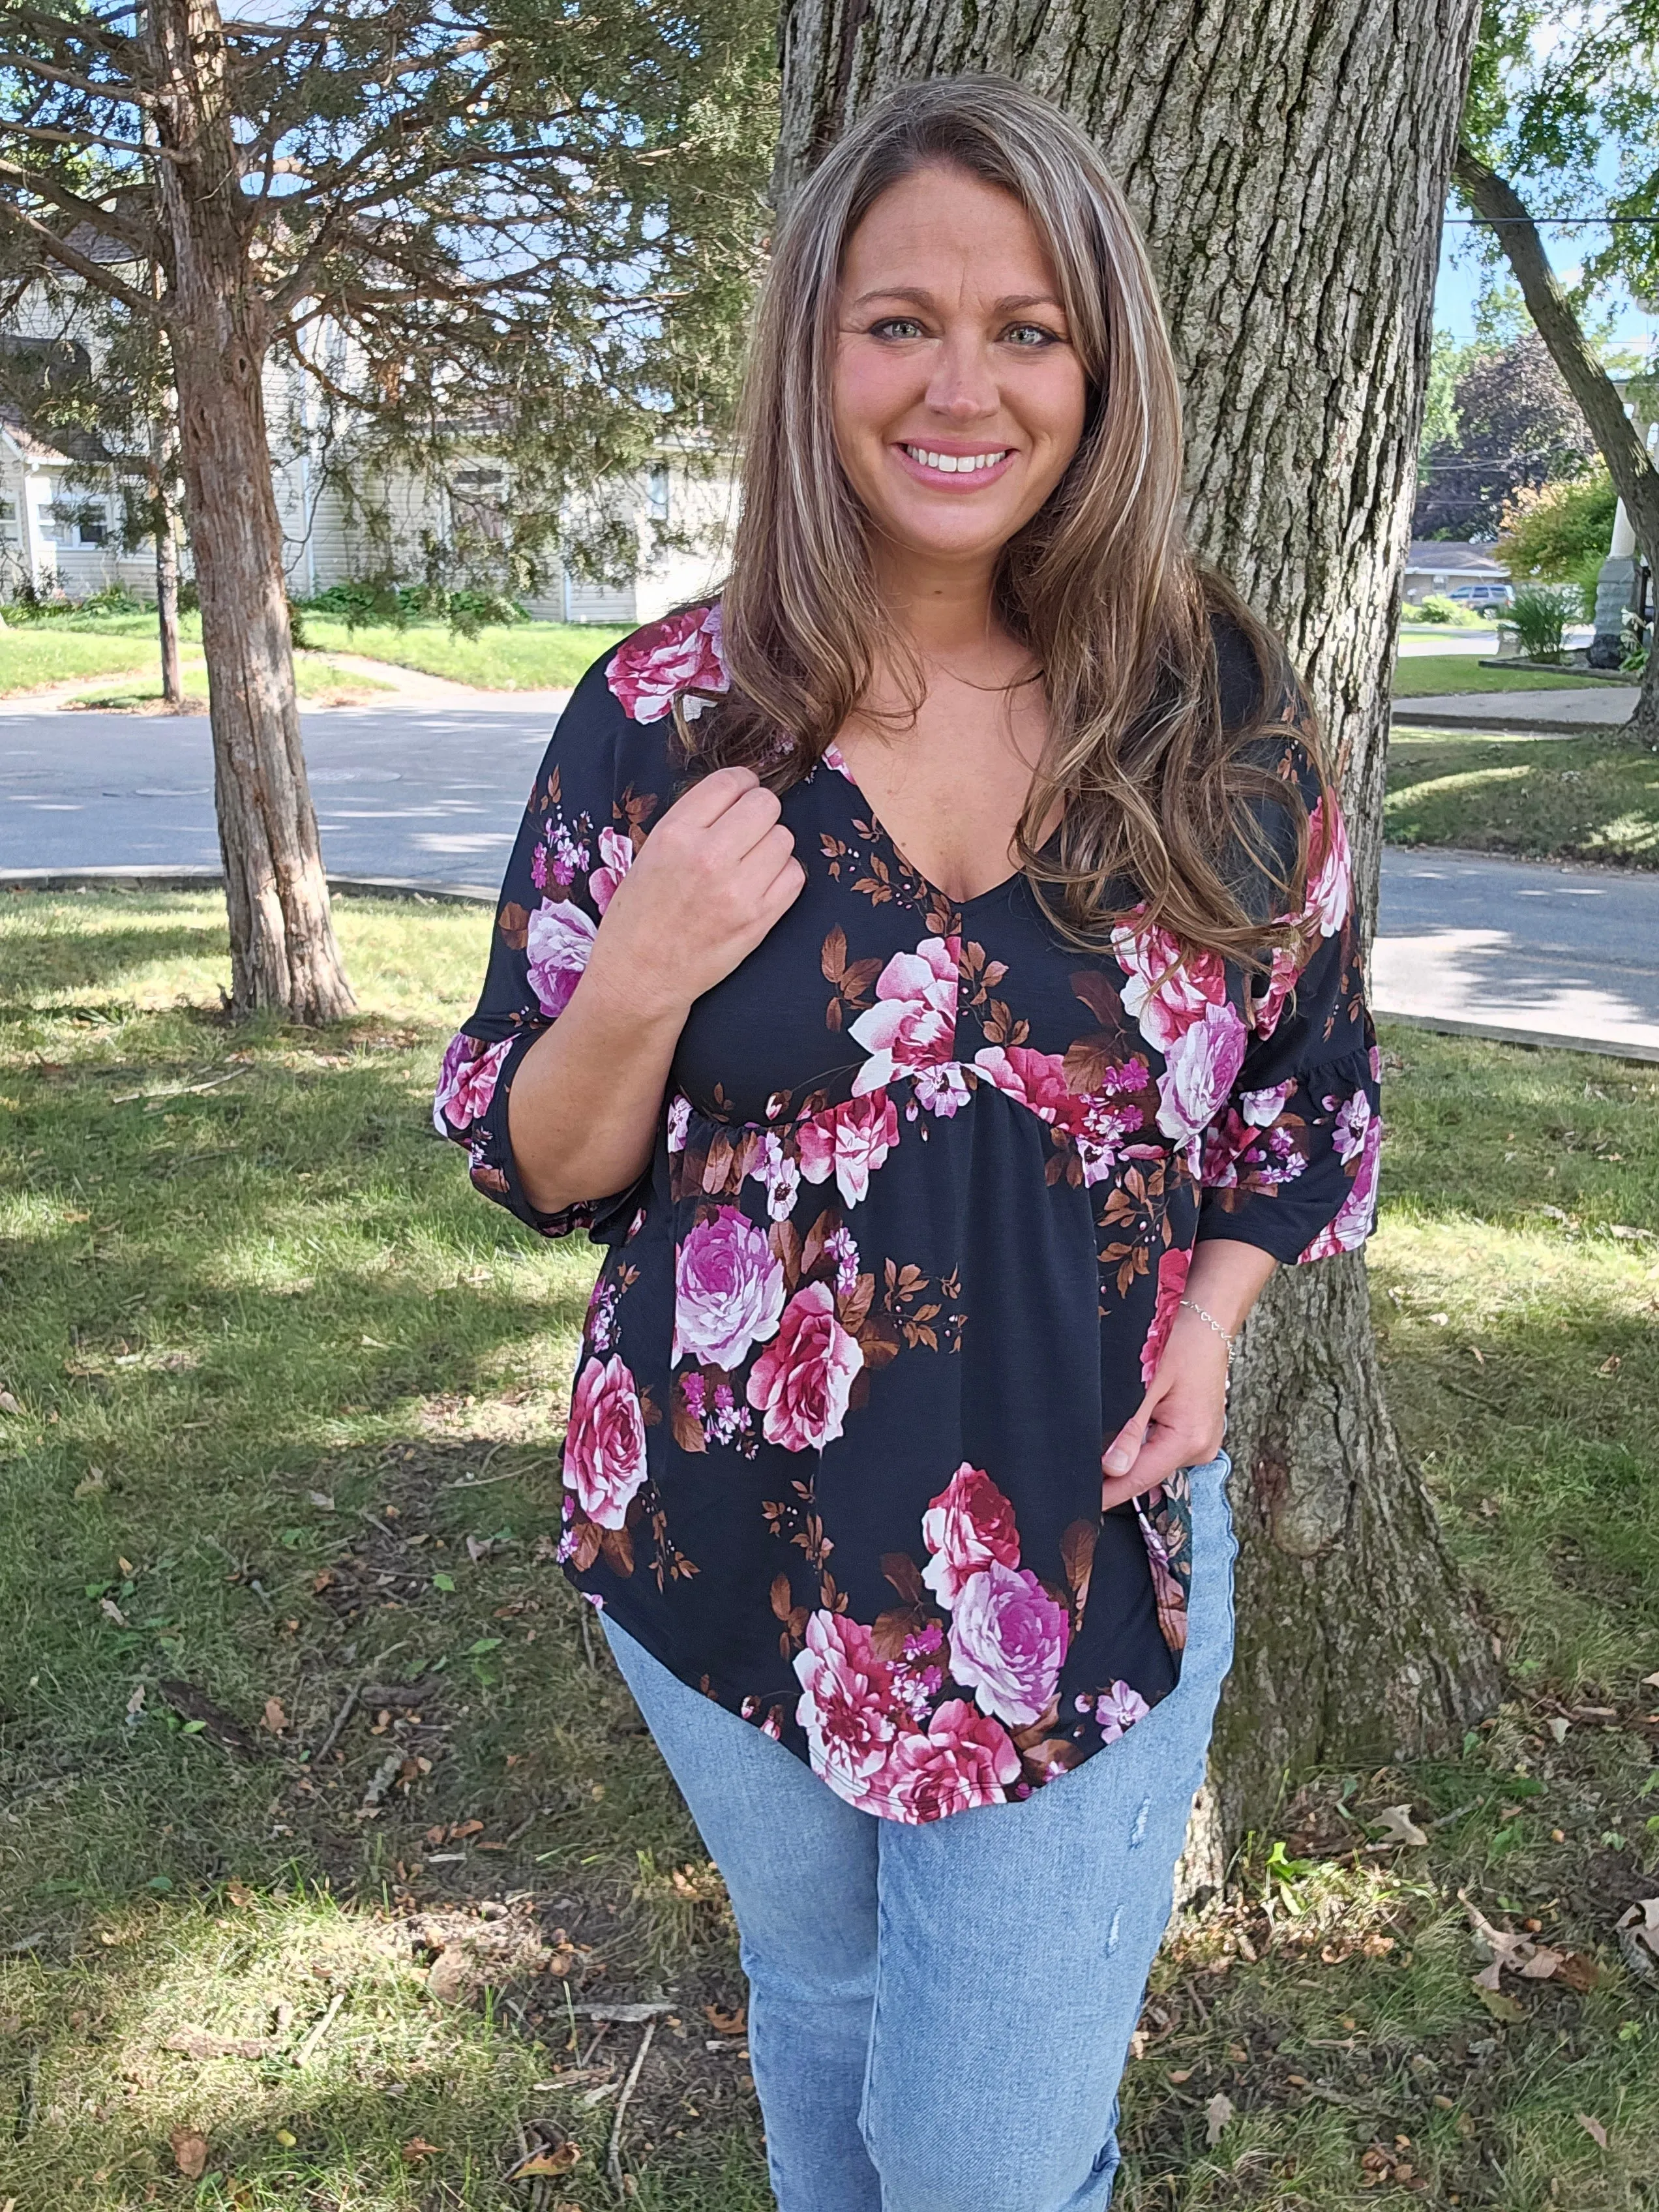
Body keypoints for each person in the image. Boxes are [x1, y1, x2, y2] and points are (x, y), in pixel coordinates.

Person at [436, 72, 1379, 2212]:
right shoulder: (671, 710)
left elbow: (1306, 1079)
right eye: (900, 322)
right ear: (817, 357)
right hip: (719, 1544)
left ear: (1100, 367)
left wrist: (1220, 1313)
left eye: (1025, 328)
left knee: (982, 2155)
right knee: (831, 2021)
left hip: (1074, 1552)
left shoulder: (1214, 709)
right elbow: (545, 1156)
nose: (962, 383)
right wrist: (642, 969)